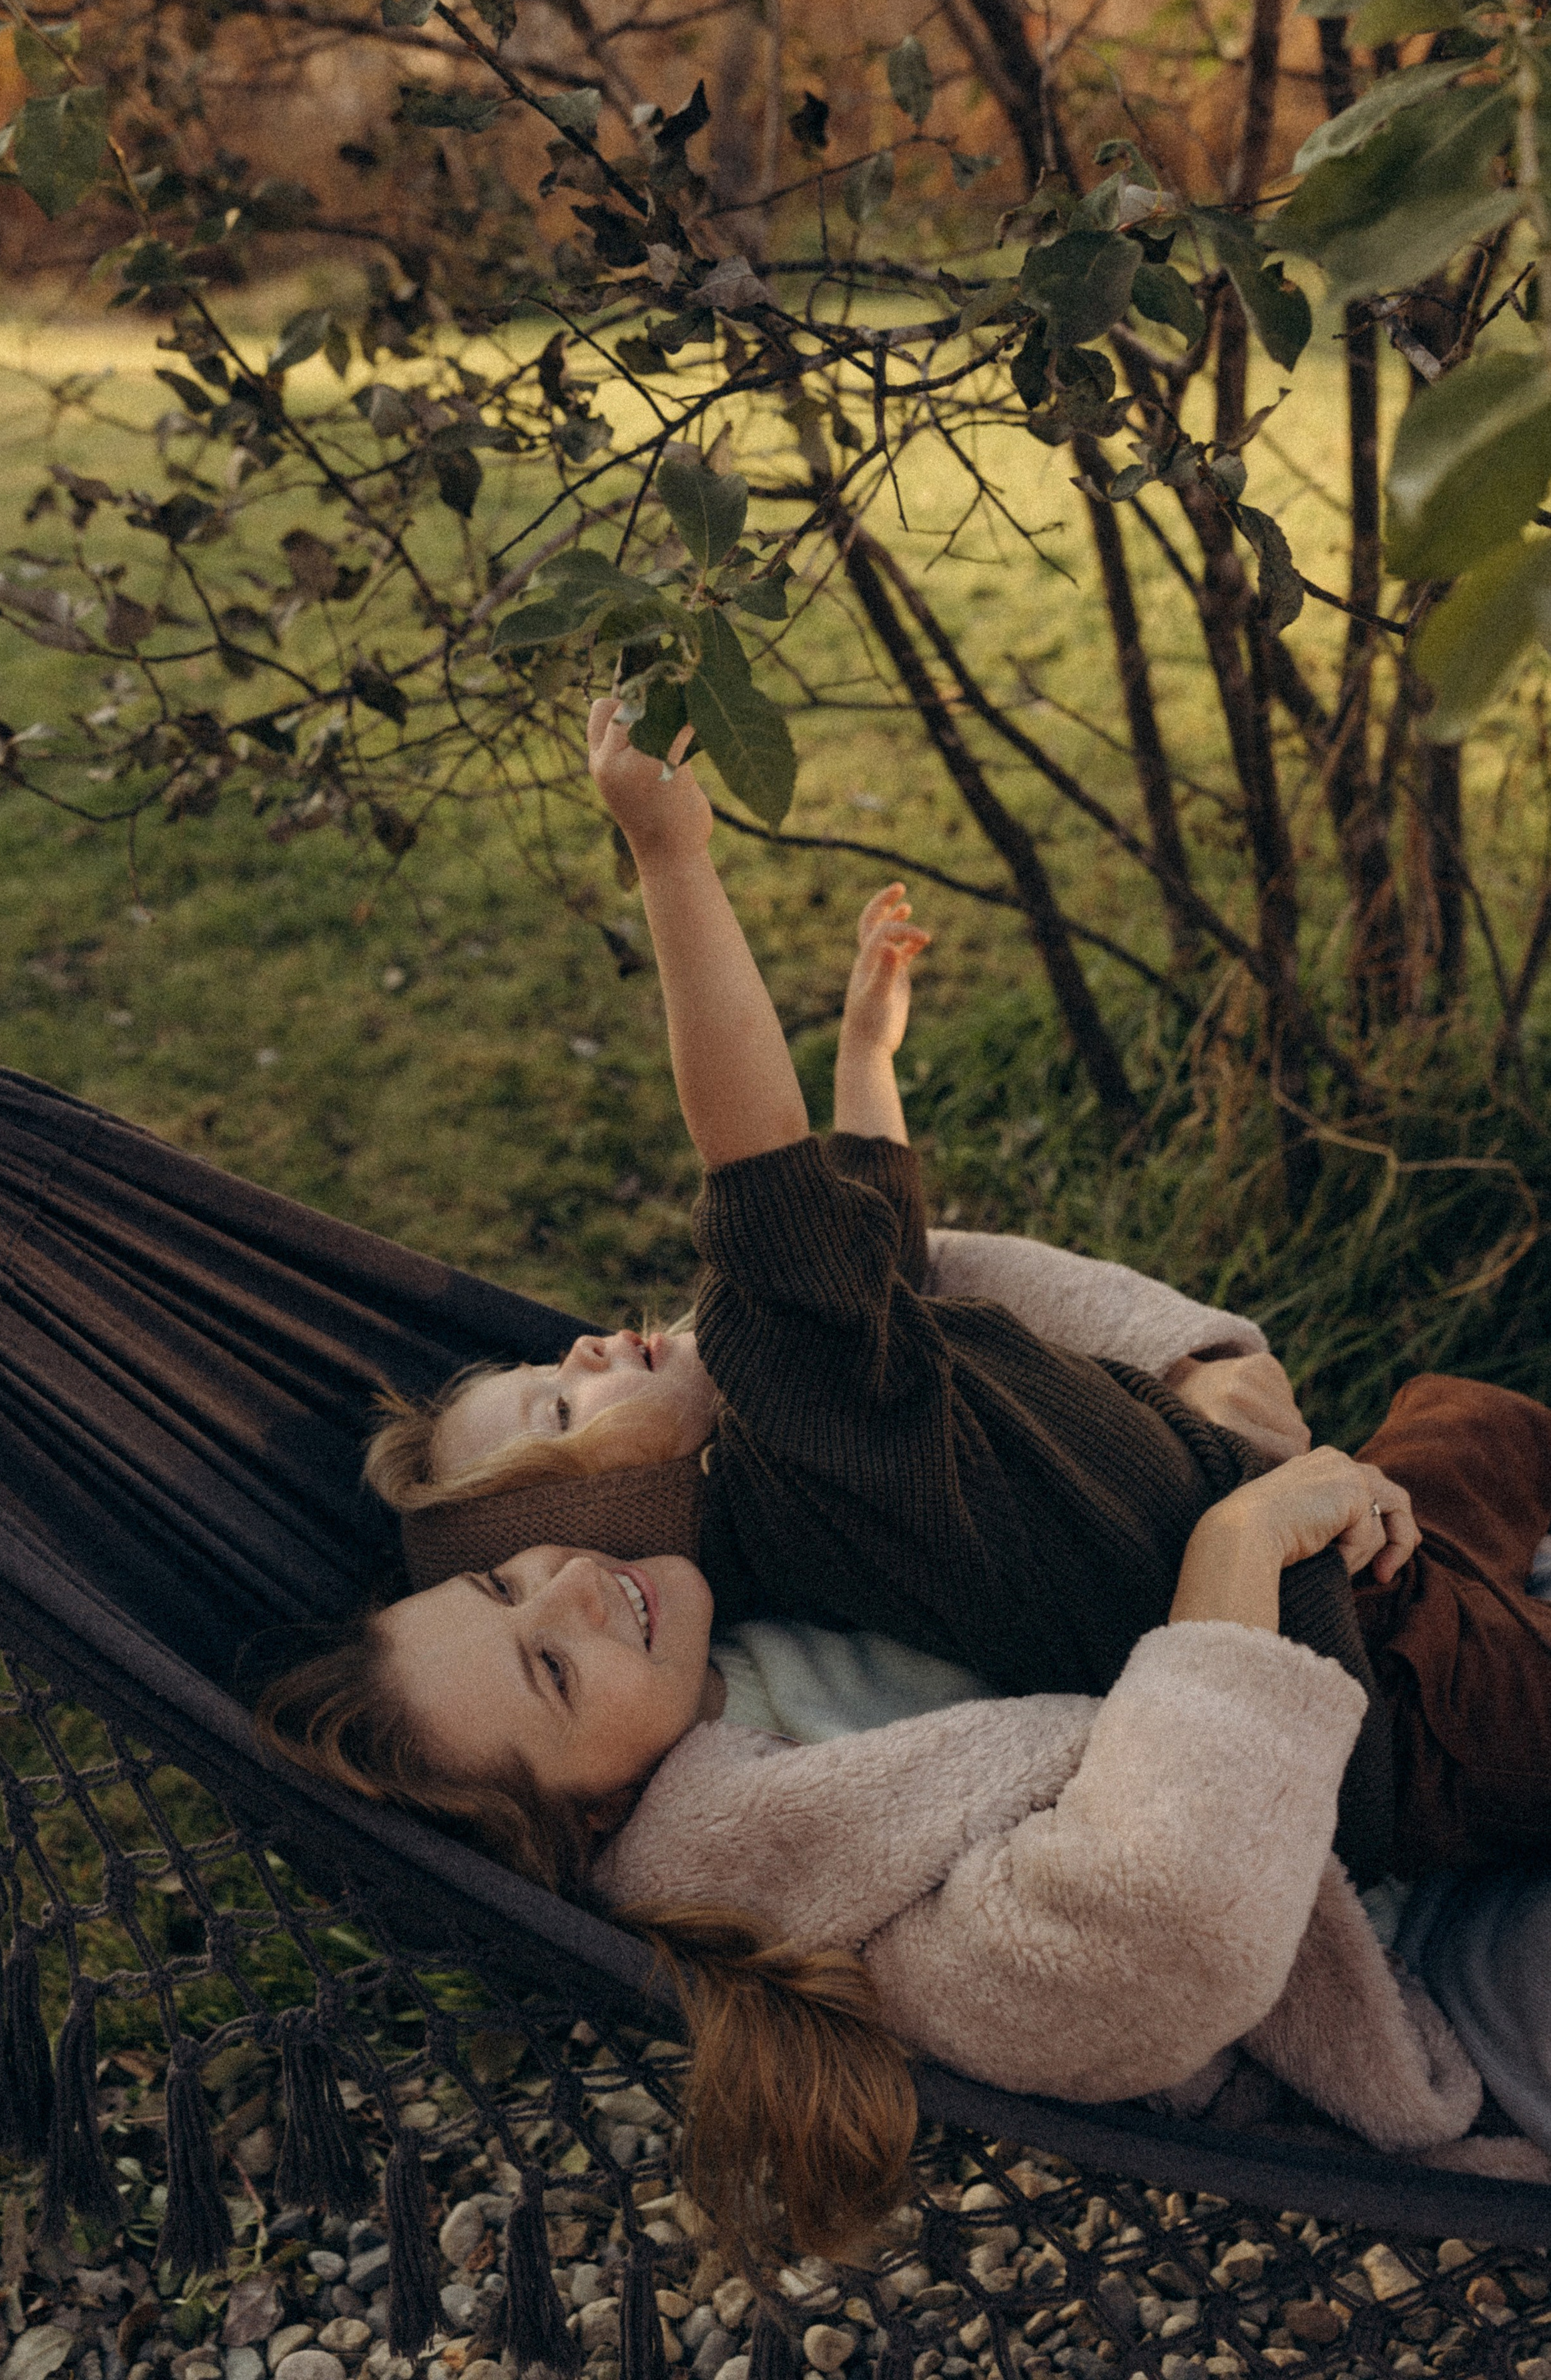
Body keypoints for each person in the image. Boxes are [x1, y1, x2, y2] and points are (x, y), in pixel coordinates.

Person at [258, 696, 1551, 2259]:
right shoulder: (791, 1486)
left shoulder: (775, 1519)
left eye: (510, 1582)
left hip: (1327, 1580)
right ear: (586, 1812)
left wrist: (869, 1065)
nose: (572, 1589)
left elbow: (883, 1262)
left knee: (1475, 1421)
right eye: (545, 1659)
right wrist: (670, 858)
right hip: (1382, 1707)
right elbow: (759, 1178)